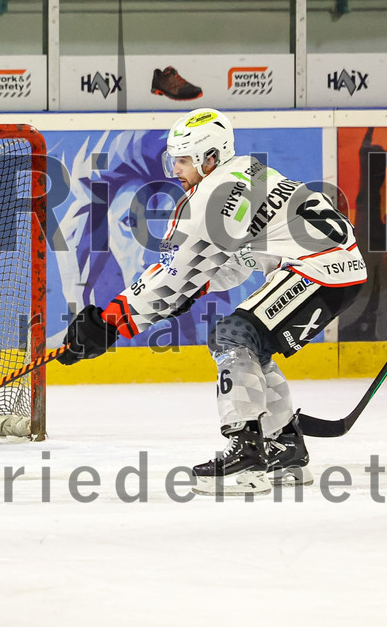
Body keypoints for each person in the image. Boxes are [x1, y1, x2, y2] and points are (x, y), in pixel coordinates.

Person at [59, 107, 367, 495]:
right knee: (250, 345)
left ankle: (247, 453)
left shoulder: (207, 200)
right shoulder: (250, 171)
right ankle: (285, 448)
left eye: (184, 160)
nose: (176, 170)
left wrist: (108, 322)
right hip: (341, 267)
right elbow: (234, 262)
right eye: (174, 159)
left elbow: (173, 280)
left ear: (210, 158)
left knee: (232, 337)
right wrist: (194, 287)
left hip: (317, 271)